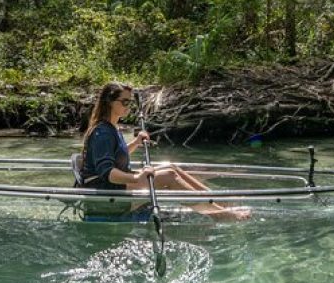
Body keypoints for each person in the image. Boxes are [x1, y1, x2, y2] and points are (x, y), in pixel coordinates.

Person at [81, 81, 250, 221]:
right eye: (125, 102)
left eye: (130, 102)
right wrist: (136, 177)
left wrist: (135, 143)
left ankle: (217, 202)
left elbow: (117, 155)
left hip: (115, 186)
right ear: (109, 102)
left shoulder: (112, 128)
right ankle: (220, 214)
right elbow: (107, 172)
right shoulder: (102, 132)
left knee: (171, 167)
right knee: (168, 176)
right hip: (107, 194)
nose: (128, 106)